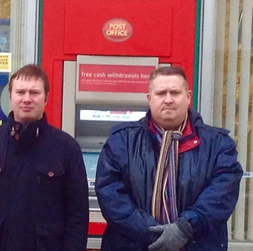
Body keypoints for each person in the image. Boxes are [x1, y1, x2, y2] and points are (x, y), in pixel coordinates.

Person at [95, 66, 243, 251]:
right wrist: (155, 233)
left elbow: (222, 194)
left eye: (175, 92)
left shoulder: (218, 144)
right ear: (149, 99)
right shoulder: (121, 141)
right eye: (160, 93)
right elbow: (111, 196)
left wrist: (184, 228)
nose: (168, 99)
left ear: (188, 97)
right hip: (134, 245)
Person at [0, 64, 89, 251]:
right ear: (10, 96)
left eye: (34, 93)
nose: (27, 99)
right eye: (20, 92)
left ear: (46, 97)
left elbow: (77, 217)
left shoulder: (66, 148)